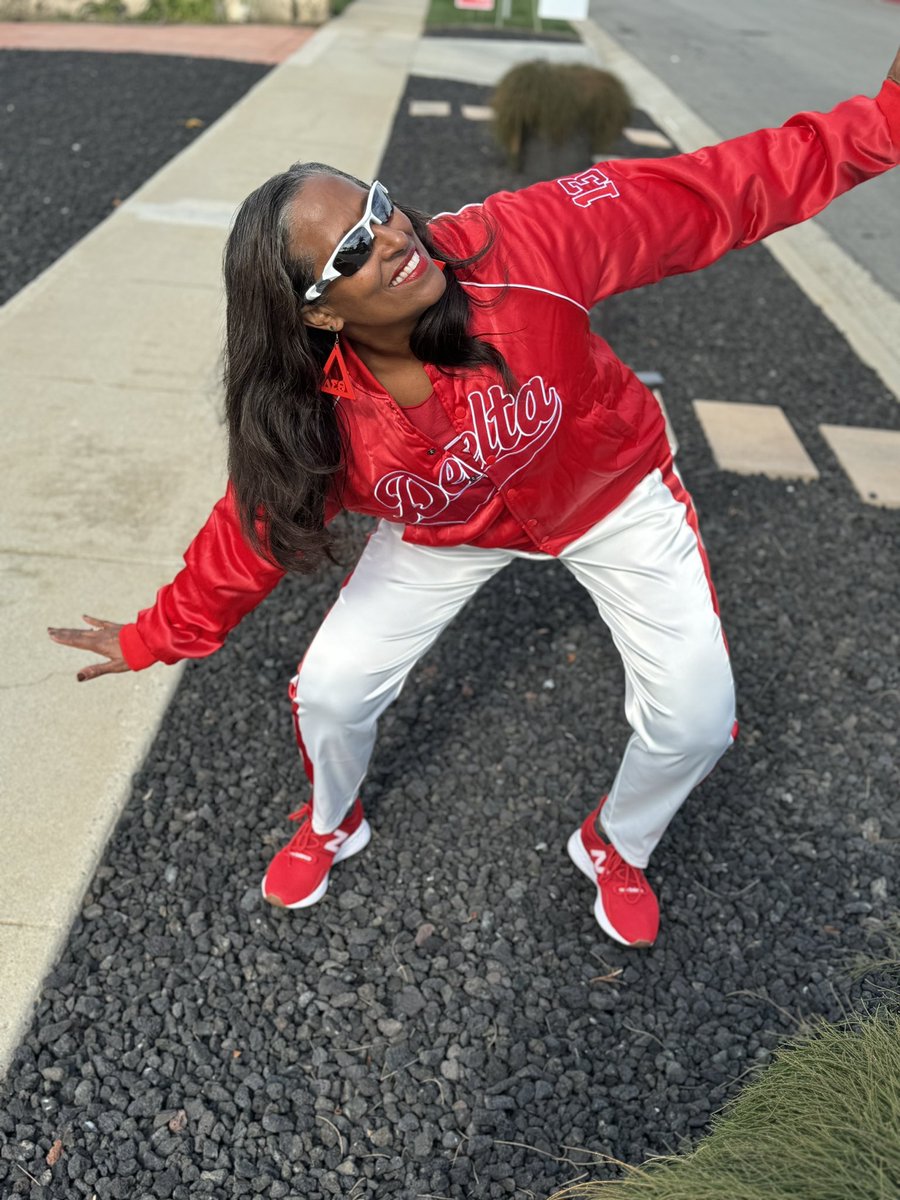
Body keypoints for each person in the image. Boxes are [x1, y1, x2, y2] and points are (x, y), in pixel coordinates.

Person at [49, 54, 900, 948]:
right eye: (349, 253)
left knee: (696, 720)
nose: (389, 238)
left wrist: (882, 124)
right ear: (320, 314)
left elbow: (711, 191)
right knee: (331, 693)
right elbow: (252, 532)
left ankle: (617, 843)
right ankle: (335, 821)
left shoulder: (517, 244)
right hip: (444, 532)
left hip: (611, 494)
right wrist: (156, 634)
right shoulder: (312, 412)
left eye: (378, 206)